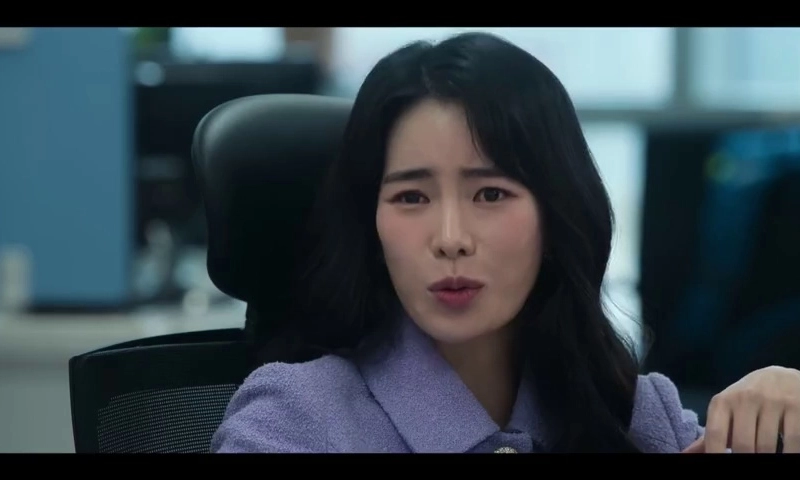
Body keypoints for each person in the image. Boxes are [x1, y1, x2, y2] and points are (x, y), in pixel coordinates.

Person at [211, 32, 800, 453]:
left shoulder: (636, 413)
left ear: (557, 214)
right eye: (411, 197)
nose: (451, 239)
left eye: (490, 194)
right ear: (371, 223)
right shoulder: (295, 421)